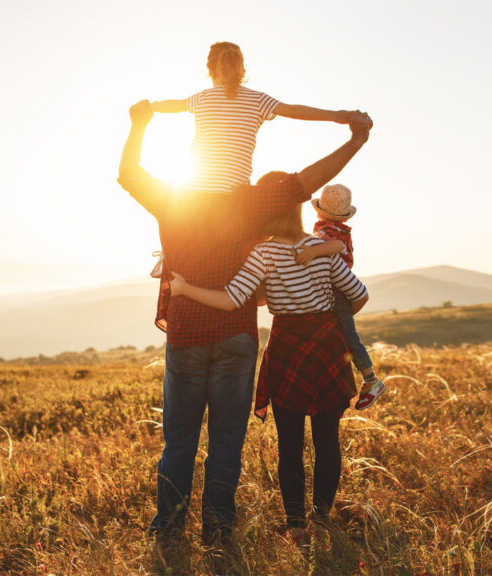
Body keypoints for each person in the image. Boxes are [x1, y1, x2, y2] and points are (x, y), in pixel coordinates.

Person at [117, 99, 372, 561]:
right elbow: (306, 182)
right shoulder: (252, 201)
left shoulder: (172, 198)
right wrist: (354, 139)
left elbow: (129, 173)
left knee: (179, 441)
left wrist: (139, 126)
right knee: (226, 443)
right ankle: (218, 532)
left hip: (186, 337)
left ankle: (169, 532)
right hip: (236, 338)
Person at [168, 200, 369, 542]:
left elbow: (233, 299)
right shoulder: (320, 248)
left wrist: (185, 289)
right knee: (327, 440)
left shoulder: (263, 253)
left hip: (288, 347)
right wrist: (329, 316)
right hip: (327, 347)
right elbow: (359, 295)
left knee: (290, 445)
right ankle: (320, 519)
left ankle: (295, 527)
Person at [150, 41, 352, 195]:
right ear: (242, 70)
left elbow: (174, 105)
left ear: (210, 71)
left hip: (194, 190)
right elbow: (295, 111)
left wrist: (150, 106)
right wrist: (336, 115)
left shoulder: (202, 98)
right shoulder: (258, 100)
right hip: (234, 193)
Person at [294, 184, 387, 409]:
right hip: (334, 287)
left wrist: (314, 251)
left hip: (337, 288)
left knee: (348, 336)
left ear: (319, 210)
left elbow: (335, 246)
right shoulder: (332, 227)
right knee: (339, 335)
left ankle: (371, 380)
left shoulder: (330, 230)